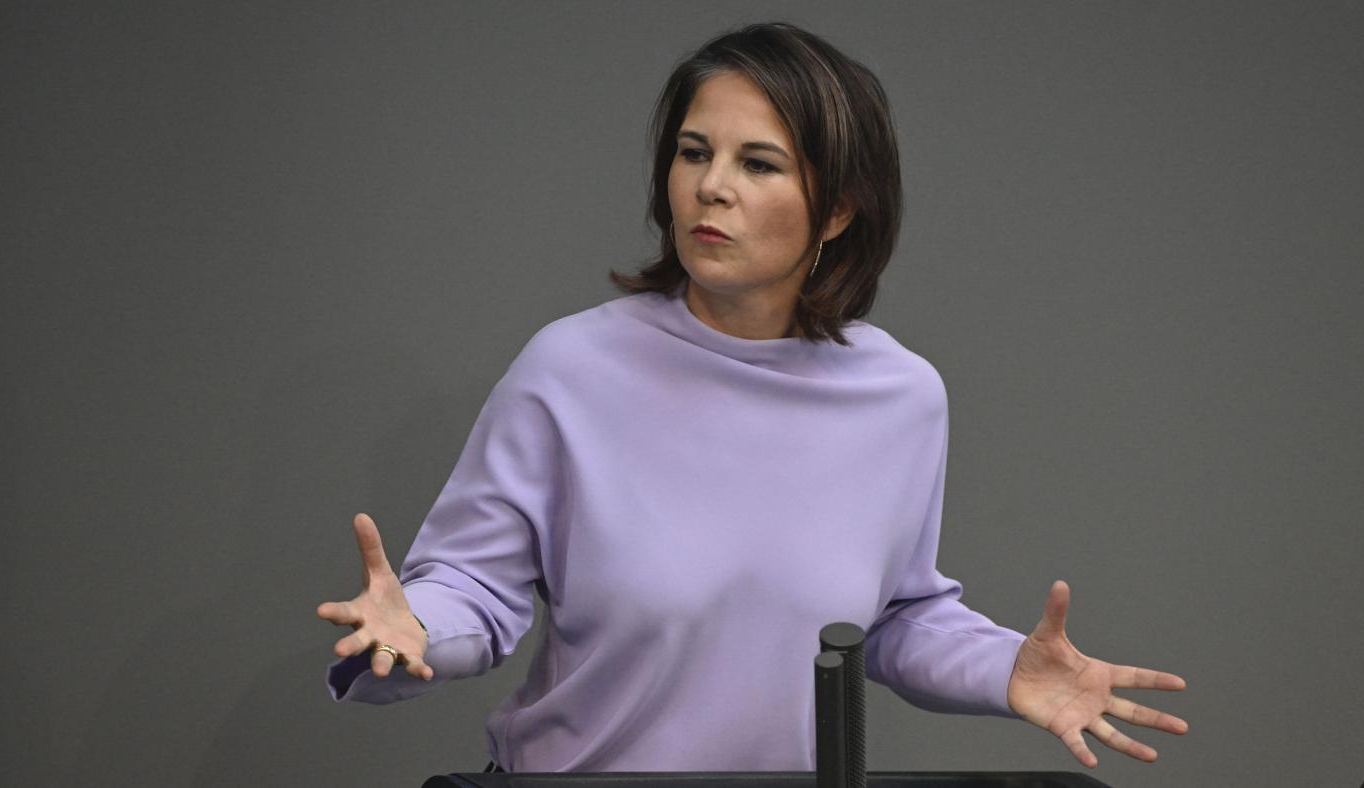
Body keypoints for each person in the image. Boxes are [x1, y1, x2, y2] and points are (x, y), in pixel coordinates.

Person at [316, 21, 1188, 773]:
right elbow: (474, 587)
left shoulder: (900, 398)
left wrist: (1005, 670)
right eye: (694, 153)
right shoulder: (570, 368)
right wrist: (415, 626)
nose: (712, 186)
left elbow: (887, 621)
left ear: (838, 209)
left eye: (758, 163)